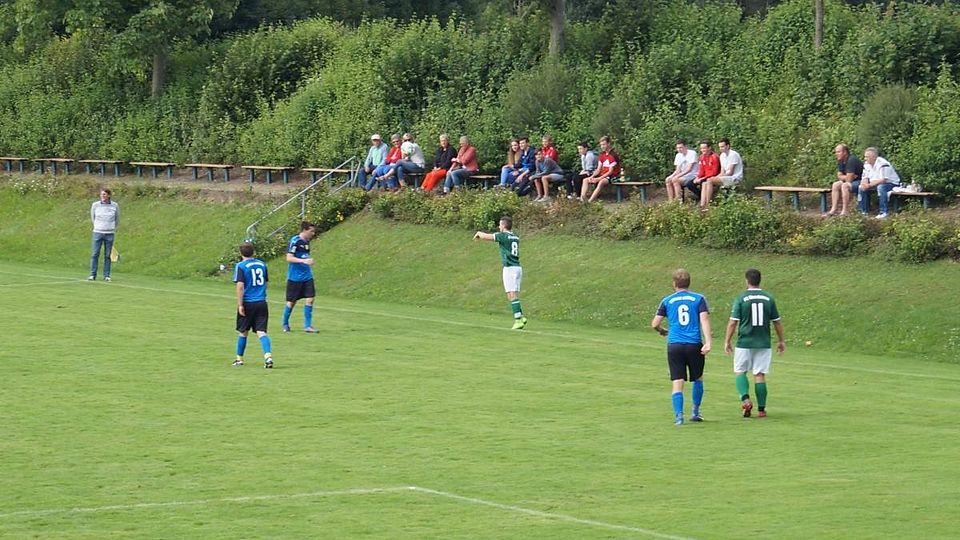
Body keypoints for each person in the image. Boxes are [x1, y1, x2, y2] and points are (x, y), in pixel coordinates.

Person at [651, 269, 712, 425]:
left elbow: (655, 323)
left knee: (677, 381)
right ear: (689, 282)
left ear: (674, 283)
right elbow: (704, 320)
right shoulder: (699, 299)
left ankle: (679, 417)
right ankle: (695, 412)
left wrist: (662, 330)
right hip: (694, 344)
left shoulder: (667, 300)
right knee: (698, 378)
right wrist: (708, 342)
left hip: (675, 345)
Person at [723, 268, 785, 418]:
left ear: (747, 281)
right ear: (759, 280)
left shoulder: (741, 298)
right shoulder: (768, 298)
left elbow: (733, 322)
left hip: (744, 342)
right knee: (759, 375)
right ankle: (761, 410)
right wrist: (781, 340)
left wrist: (727, 341)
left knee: (740, 371)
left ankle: (746, 400)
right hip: (763, 342)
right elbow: (777, 322)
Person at [473, 216, 527, 330]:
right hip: (517, 267)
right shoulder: (515, 236)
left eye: (500, 224)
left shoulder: (503, 236)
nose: (499, 227)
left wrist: (478, 233)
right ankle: (521, 316)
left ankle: (518, 320)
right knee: (512, 294)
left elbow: (486, 236)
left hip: (509, 268)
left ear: (503, 225)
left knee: (512, 294)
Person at [232, 242, 274, 368]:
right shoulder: (262, 264)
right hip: (261, 302)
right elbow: (265, 282)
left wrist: (240, 304)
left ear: (240, 253)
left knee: (243, 331)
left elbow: (240, 286)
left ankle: (239, 359)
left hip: (248, 303)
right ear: (253, 252)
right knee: (261, 332)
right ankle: (268, 357)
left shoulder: (241, 266)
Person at [281, 221, 318, 333]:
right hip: (295, 277)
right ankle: (285, 323)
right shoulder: (295, 241)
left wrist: (308, 261)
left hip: (307, 276)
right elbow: (289, 258)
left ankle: (307, 326)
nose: (313, 233)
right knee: (292, 302)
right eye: (311, 231)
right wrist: (304, 261)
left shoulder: (307, 242)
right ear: (304, 230)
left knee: (310, 299)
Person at [858, 147, 901, 219]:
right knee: (861, 187)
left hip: (891, 183)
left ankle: (883, 212)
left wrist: (869, 185)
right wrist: (864, 184)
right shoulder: (866, 164)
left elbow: (883, 180)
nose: (865, 159)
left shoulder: (883, 164)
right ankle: (863, 212)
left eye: (867, 157)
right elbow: (865, 177)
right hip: (874, 183)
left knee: (881, 187)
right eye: (865, 157)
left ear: (873, 157)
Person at [701, 138, 743, 208]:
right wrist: (715, 177)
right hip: (726, 177)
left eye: (722, 146)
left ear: (728, 146)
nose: (721, 148)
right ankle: (702, 205)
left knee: (710, 181)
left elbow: (730, 172)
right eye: (720, 147)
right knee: (704, 183)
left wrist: (715, 178)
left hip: (735, 178)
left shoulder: (733, 154)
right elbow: (722, 172)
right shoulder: (722, 156)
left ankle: (708, 204)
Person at [824, 143, 863, 217]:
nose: (836, 154)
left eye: (838, 152)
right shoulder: (840, 160)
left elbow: (849, 180)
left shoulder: (852, 160)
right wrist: (847, 176)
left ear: (845, 152)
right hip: (852, 180)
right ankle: (833, 209)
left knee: (845, 186)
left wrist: (847, 177)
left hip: (861, 181)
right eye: (836, 152)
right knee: (835, 185)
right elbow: (839, 176)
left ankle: (845, 211)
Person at [89, 188, 119, 282]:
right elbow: (93, 217)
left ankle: (107, 275)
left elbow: (117, 219)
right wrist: (98, 226)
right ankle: (92, 274)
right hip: (97, 232)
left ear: (109, 195)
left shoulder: (115, 205)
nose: (103, 196)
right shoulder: (95, 205)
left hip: (109, 233)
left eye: (104, 194)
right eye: (101, 194)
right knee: (95, 254)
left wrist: (111, 227)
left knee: (107, 255)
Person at [580, 136, 620, 202]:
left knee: (601, 182)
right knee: (585, 180)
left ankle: (590, 201)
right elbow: (598, 169)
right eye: (601, 145)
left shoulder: (613, 155)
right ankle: (582, 199)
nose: (602, 147)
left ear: (608, 144)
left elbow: (610, 172)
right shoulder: (602, 155)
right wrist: (592, 176)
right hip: (603, 174)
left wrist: (598, 179)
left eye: (604, 144)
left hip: (613, 176)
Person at [687, 140, 720, 206]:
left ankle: (705, 203)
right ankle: (700, 197)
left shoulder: (714, 157)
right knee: (690, 184)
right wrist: (698, 177)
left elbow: (714, 172)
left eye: (704, 148)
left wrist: (702, 178)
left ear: (709, 148)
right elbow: (701, 170)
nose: (702, 150)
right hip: (704, 176)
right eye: (701, 148)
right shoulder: (701, 157)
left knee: (703, 182)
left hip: (712, 177)